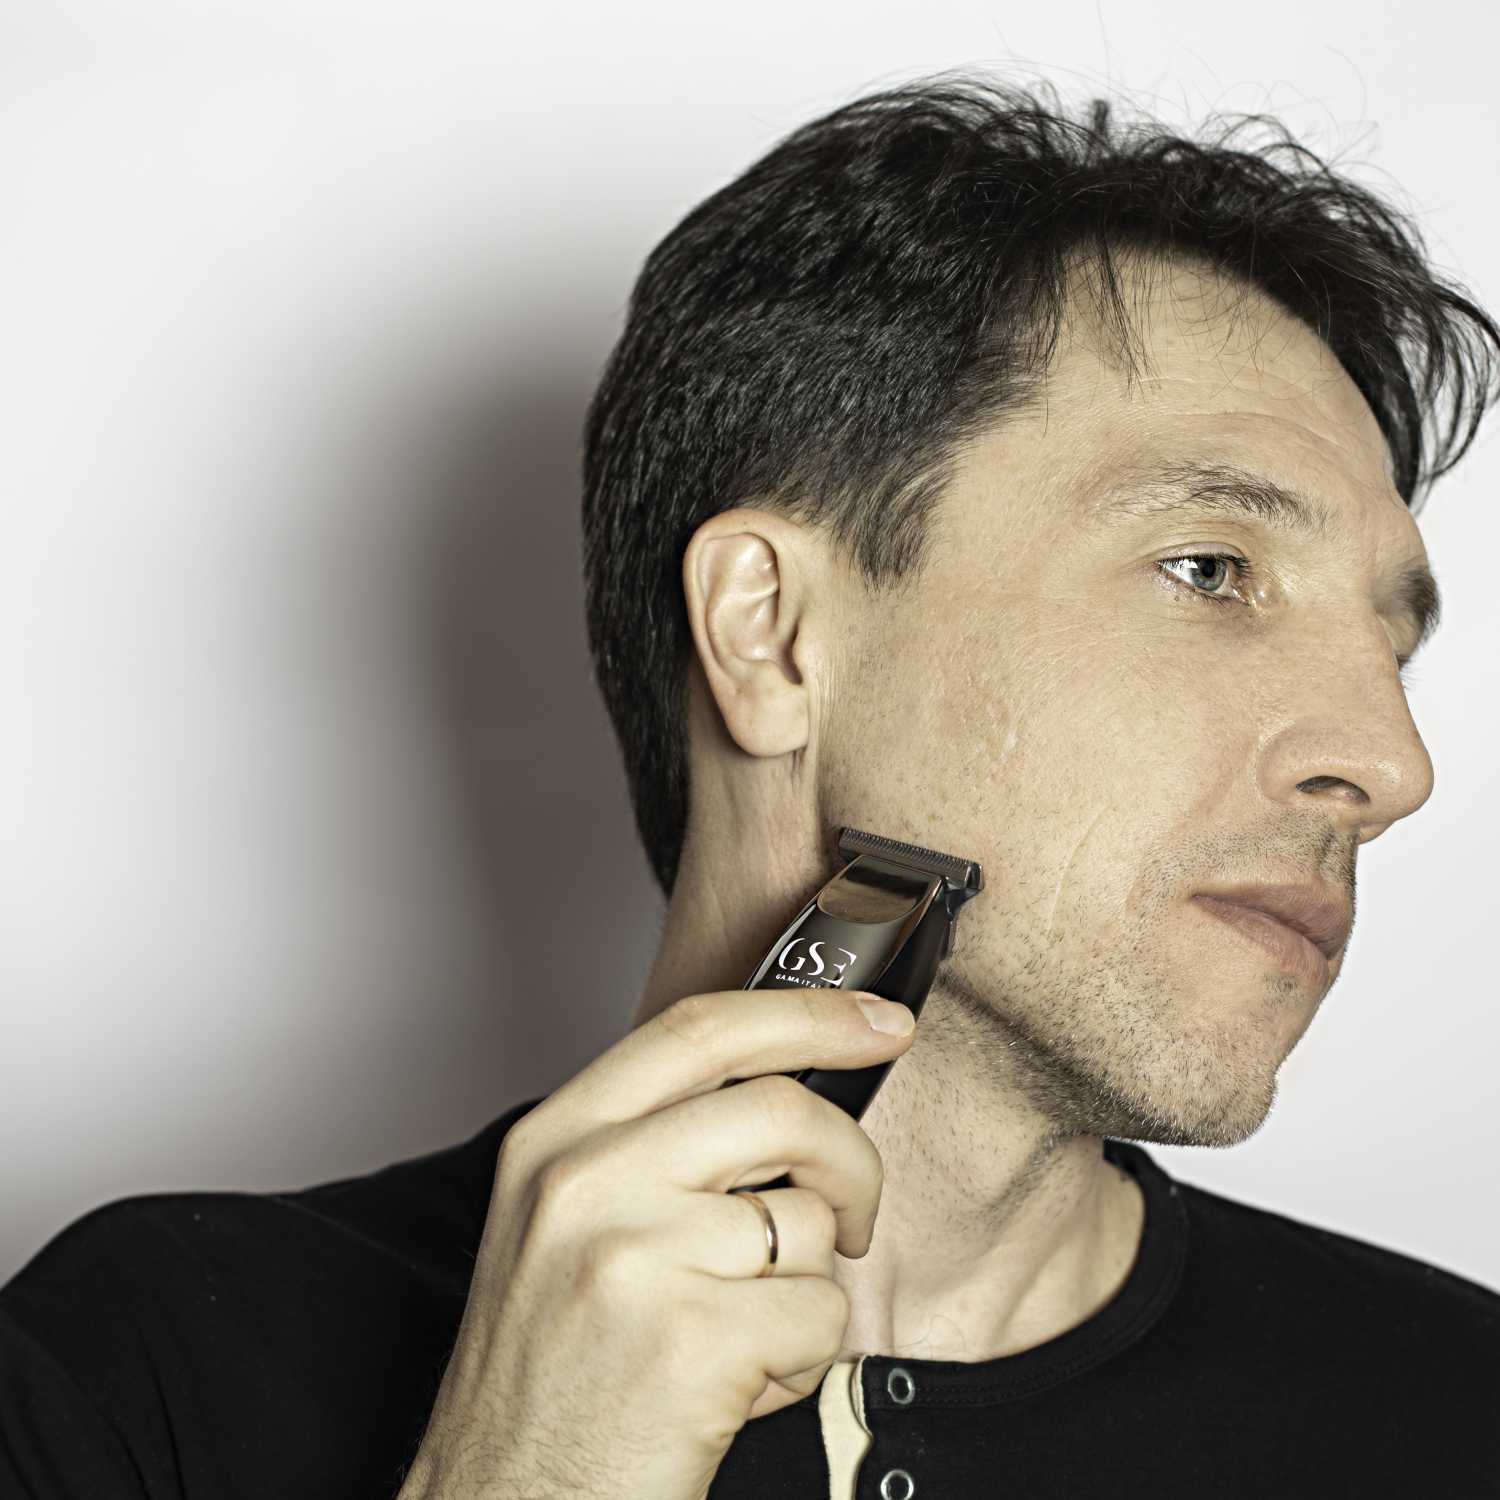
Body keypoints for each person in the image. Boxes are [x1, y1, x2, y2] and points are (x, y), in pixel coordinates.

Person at [4, 71, 1499, 1500]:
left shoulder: (1463, 1417)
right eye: (1212, 569)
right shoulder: (138, 1372)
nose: (1391, 766)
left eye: (1392, 646)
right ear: (770, 634)